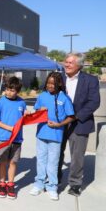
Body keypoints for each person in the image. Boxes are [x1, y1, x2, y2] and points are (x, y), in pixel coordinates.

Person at [58, 53, 100, 196]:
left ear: (79, 65)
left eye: (71, 63)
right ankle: (55, 179)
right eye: (66, 62)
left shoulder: (91, 80)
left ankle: (75, 184)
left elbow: (94, 102)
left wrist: (75, 117)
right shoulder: (59, 78)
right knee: (56, 152)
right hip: (59, 123)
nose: (67, 65)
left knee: (77, 156)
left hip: (80, 122)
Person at [29, 72, 74, 201]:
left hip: (56, 135)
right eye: (48, 83)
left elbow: (71, 116)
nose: (49, 86)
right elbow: (36, 112)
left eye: (52, 83)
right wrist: (38, 111)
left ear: (59, 84)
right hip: (42, 134)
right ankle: (39, 184)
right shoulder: (42, 96)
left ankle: (52, 187)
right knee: (41, 160)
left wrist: (59, 124)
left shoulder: (64, 98)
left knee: (53, 163)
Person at [0, 77, 26, 199]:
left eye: (12, 90)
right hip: (4, 138)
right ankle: (2, 183)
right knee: (2, 162)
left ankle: (11, 184)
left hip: (17, 139)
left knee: (13, 162)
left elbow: (24, 118)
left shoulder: (21, 102)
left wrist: (28, 115)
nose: (9, 92)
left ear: (18, 91)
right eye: (7, 89)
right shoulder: (0, 102)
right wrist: (9, 128)